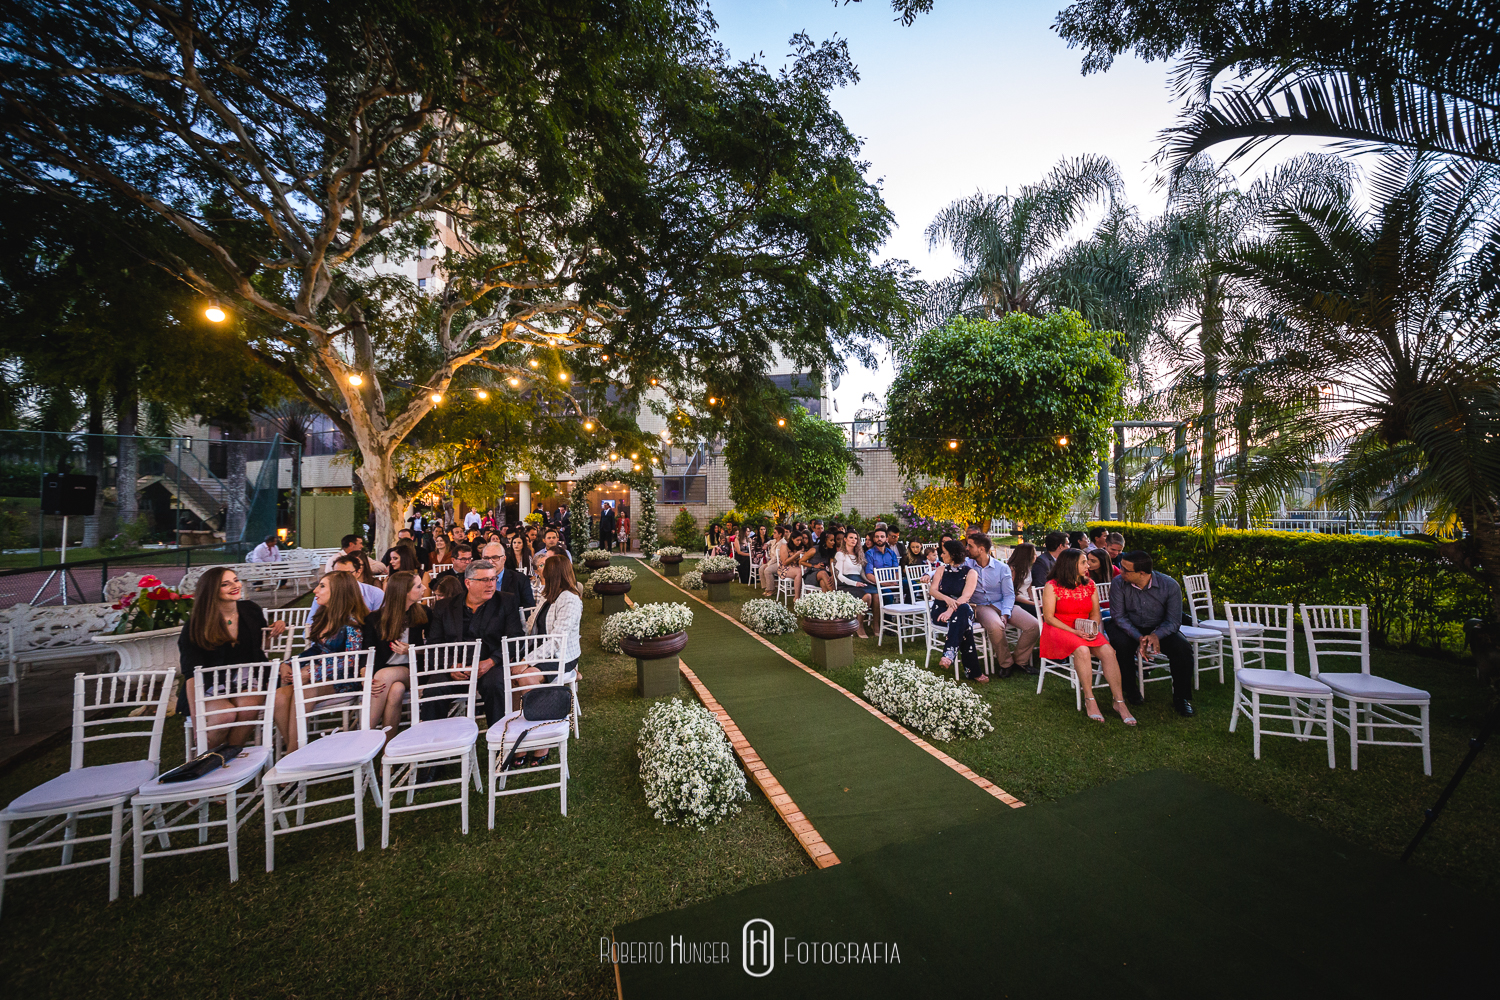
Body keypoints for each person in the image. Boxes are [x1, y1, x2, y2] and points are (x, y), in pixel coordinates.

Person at [177, 567, 285, 739]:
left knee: (248, 709)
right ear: (211, 590)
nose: (235, 586)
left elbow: (259, 645)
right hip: (210, 683)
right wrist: (198, 725)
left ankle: (233, 752)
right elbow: (191, 674)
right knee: (225, 715)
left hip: (246, 679)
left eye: (235, 580)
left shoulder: (250, 609)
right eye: (225, 584)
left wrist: (274, 627)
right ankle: (206, 758)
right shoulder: (197, 624)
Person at [275, 572, 370, 752]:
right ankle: (295, 750)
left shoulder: (352, 623)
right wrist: (287, 663)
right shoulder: (324, 616)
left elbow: (352, 660)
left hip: (344, 681)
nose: (315, 591)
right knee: (279, 696)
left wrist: (313, 673)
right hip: (321, 677)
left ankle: (292, 755)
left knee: (305, 690)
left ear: (338, 591)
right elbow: (317, 650)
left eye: (322, 586)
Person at [425, 559, 526, 725]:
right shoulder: (445, 607)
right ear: (468, 583)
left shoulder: (506, 601)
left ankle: (499, 738)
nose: (491, 584)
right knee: (434, 689)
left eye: (493, 579)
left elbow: (515, 638)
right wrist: (451, 666)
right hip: (455, 666)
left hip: (489, 665)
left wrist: (491, 661)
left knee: (496, 685)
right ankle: (434, 742)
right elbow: (434, 643)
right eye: (484, 580)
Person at [1039, 550, 1134, 725]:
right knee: (1082, 650)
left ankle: (1119, 701)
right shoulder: (1052, 586)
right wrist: (1074, 632)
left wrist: (1093, 628)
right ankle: (1089, 698)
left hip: (1086, 628)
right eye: (1083, 562)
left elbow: (1095, 613)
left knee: (1109, 651)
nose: (1087, 566)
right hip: (1060, 628)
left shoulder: (1090, 584)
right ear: (1070, 564)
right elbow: (1049, 617)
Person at [511, 553, 583, 765]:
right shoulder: (547, 595)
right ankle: (520, 734)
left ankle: (543, 742)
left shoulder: (570, 599)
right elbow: (532, 627)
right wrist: (521, 654)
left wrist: (528, 662)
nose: (539, 570)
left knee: (526, 678)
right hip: (540, 651)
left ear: (554, 573)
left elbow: (556, 640)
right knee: (511, 675)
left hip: (561, 655)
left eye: (544, 567)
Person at [1105, 550, 1194, 716]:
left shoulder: (1170, 585)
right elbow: (1119, 617)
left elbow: (1174, 621)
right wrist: (1139, 637)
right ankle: (1130, 690)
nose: (1120, 571)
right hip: (1126, 626)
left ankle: (1181, 698)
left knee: (1183, 649)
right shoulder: (1118, 583)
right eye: (1121, 567)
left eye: (1125, 569)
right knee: (1121, 644)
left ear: (1142, 573)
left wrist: (1156, 635)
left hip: (1159, 627)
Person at [364, 570, 429, 740]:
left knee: (383, 676)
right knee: (396, 690)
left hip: (415, 671)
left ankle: (363, 736)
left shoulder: (424, 613)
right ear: (404, 592)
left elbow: (435, 647)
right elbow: (366, 652)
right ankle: (388, 750)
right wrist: (364, 673)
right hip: (386, 674)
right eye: (418, 586)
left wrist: (412, 649)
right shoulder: (374, 619)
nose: (424, 588)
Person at [964, 534, 1038, 678]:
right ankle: (1006, 663)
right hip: (980, 606)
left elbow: (1009, 595)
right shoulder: (967, 563)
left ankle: (1020, 660)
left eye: (970, 546)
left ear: (981, 549)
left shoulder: (1002, 568)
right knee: (996, 626)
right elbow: (946, 568)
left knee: (1034, 625)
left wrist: (1005, 613)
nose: (967, 548)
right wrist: (928, 573)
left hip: (1002, 603)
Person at [930, 539, 987, 683]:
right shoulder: (941, 570)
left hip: (955, 611)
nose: (941, 556)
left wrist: (950, 610)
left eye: (944, 553)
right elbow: (933, 590)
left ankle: (948, 655)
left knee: (963, 610)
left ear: (953, 554)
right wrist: (946, 600)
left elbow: (966, 596)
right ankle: (974, 671)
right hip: (940, 611)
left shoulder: (971, 573)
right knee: (964, 620)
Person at [310, 553, 384, 613]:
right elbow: (310, 624)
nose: (341, 578)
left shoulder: (375, 594)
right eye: (337, 573)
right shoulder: (323, 595)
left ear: (358, 572)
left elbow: (380, 624)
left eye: (346, 574)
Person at [832, 530, 872, 638]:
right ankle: (859, 625)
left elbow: (862, 573)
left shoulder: (859, 554)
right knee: (867, 596)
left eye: (855, 538)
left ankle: (876, 625)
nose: (854, 540)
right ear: (845, 539)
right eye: (851, 537)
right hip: (846, 584)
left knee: (876, 594)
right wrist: (855, 583)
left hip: (859, 581)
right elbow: (839, 575)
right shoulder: (840, 554)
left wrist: (871, 582)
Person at [861, 524, 900, 599]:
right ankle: (886, 611)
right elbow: (869, 575)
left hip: (892, 581)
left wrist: (896, 582)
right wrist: (884, 583)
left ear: (886, 539)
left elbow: (896, 570)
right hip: (878, 583)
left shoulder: (891, 553)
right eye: (877, 537)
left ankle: (904, 609)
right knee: (888, 595)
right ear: (874, 539)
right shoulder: (869, 554)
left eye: (882, 537)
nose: (879, 539)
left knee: (912, 585)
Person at [500, 535, 537, 607]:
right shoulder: (507, 558)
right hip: (511, 584)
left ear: (523, 544)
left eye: (519, 543)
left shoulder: (527, 557)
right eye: (514, 543)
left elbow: (531, 574)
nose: (516, 545)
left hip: (525, 583)